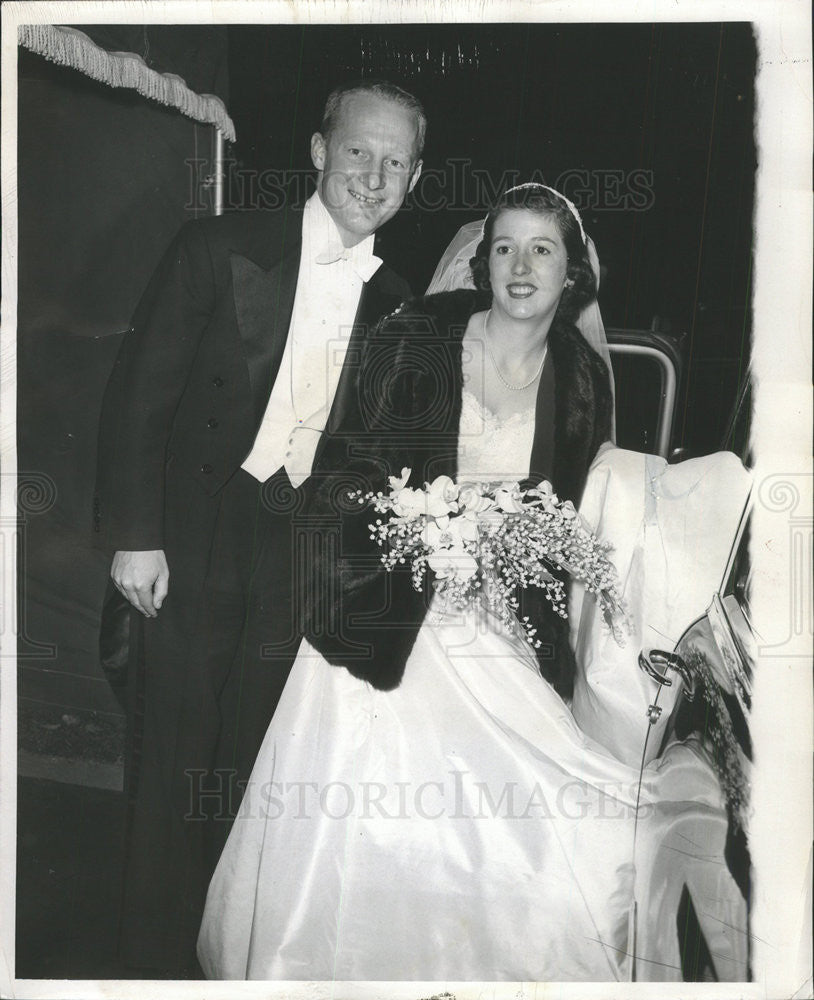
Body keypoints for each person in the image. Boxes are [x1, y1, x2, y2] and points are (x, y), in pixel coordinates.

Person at [94, 78, 425, 974]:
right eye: (359, 150)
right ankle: (144, 968)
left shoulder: (397, 297)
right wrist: (136, 533)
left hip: (295, 552)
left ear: (416, 177)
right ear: (320, 151)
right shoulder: (216, 246)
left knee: (250, 769)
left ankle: (219, 962)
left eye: (396, 161)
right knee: (172, 762)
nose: (374, 173)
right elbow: (140, 395)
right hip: (195, 530)